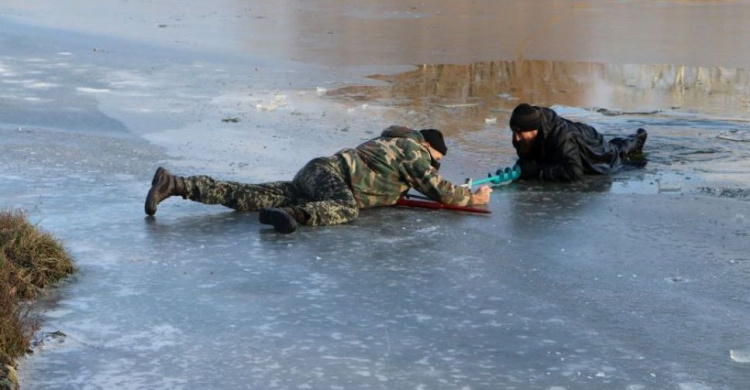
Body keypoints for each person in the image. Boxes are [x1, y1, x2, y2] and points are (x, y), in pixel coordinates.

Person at [144, 126, 493, 233]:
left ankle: (175, 184)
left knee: (250, 194)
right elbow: (438, 189)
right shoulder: (412, 149)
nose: (435, 168)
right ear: (428, 147)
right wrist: (473, 196)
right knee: (346, 209)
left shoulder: (388, 142)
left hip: (315, 172)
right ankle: (295, 215)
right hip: (332, 179)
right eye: (437, 161)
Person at [509, 103, 648, 182]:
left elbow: (574, 172)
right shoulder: (522, 134)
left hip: (593, 145)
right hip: (575, 135)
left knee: (616, 151)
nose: (516, 138)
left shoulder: (562, 138)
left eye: (520, 133)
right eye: (514, 132)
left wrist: (538, 171)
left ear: (534, 129)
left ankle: (637, 139)